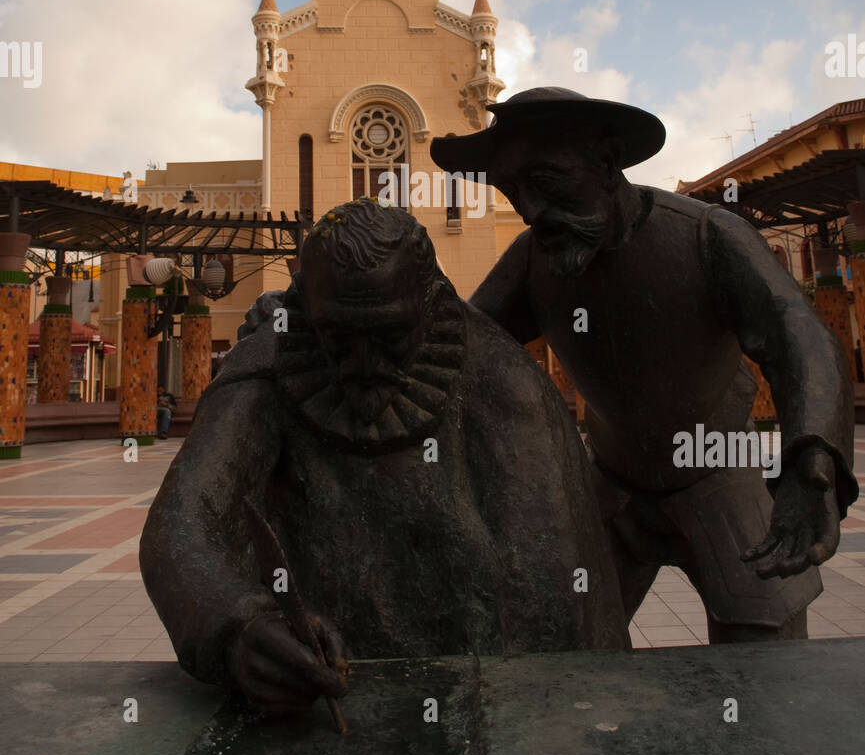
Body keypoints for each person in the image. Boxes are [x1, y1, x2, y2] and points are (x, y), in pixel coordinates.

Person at [139, 198, 628, 716]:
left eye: (390, 336)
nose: (364, 363)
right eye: (338, 337)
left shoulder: (502, 379)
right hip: (320, 709)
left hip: (477, 693)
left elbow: (548, 592)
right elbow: (182, 527)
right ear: (307, 309)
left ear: (431, 302)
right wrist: (240, 625)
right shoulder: (268, 360)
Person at [430, 87, 858, 644]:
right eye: (514, 191)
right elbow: (464, 347)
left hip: (721, 477)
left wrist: (812, 456)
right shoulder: (535, 259)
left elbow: (799, 335)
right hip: (611, 484)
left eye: (547, 181)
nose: (533, 211)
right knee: (567, 642)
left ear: (607, 166)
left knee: (766, 656)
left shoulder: (707, 236)